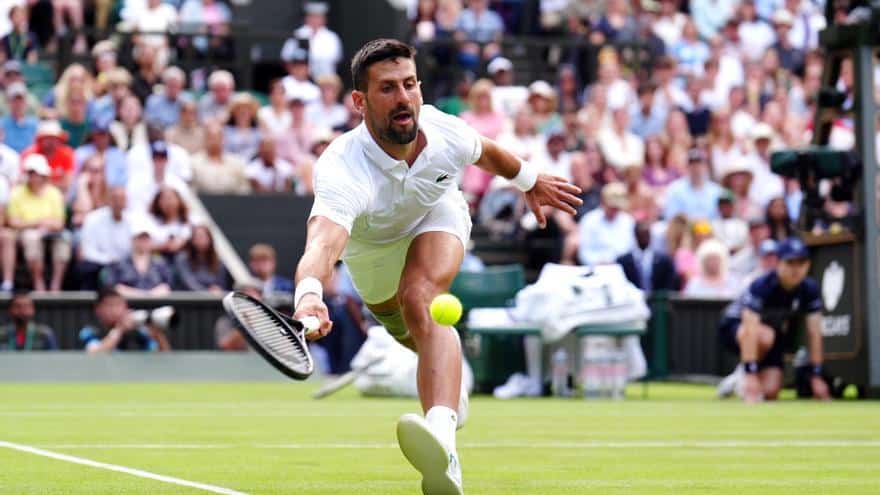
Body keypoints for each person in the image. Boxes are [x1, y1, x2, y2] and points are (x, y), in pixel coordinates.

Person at [292, 39, 581, 495]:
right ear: (359, 101)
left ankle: (443, 442)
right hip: (373, 258)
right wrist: (309, 293)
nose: (404, 97)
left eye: (409, 84)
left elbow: (488, 152)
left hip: (436, 213)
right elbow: (323, 243)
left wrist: (530, 180)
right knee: (413, 331)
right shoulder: (342, 167)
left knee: (421, 299)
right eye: (387, 88)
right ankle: (451, 384)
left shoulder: (446, 132)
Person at [716, 237, 830, 403]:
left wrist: (816, 376)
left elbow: (815, 332)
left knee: (770, 392)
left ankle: (736, 379)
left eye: (801, 263)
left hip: (773, 336)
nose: (796, 269)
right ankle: (745, 373)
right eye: (790, 263)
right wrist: (752, 373)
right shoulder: (763, 285)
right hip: (736, 328)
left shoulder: (809, 289)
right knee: (765, 336)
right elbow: (750, 328)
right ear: (778, 263)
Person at [0, 155, 70, 292]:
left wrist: (47, 226)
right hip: (26, 233)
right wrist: (38, 223)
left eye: (37, 174)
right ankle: (38, 283)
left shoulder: (54, 193)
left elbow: (60, 223)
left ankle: (56, 285)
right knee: (32, 238)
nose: (35, 177)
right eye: (31, 173)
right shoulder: (17, 193)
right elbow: (13, 222)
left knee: (64, 239)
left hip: (51, 232)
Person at [79, 289, 172, 353]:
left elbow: (163, 357)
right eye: (110, 305)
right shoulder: (90, 331)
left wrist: (158, 336)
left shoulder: (139, 332)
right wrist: (119, 330)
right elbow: (94, 356)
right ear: (98, 308)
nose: (115, 311)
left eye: (119, 305)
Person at [77, 187, 134, 290]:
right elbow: (87, 251)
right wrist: (108, 260)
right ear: (109, 200)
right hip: (98, 265)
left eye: (122, 199)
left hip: (126, 265)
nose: (118, 203)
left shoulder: (134, 220)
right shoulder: (93, 218)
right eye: (115, 199)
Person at [100, 219, 173, 297]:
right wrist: (140, 295)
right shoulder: (119, 263)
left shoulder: (160, 263)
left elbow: (167, 286)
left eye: (146, 239)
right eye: (139, 238)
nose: (143, 242)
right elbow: (113, 287)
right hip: (128, 306)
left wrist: (149, 295)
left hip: (158, 306)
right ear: (132, 240)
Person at [577, 182, 635, 266]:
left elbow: (630, 249)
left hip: (622, 268)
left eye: (617, 207)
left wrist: (617, 261)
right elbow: (584, 252)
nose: (615, 210)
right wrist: (598, 262)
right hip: (595, 269)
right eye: (612, 207)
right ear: (603, 202)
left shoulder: (628, 221)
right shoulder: (589, 220)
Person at [617, 221, 681, 293]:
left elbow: (670, 285)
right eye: (641, 235)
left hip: (657, 301)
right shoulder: (623, 261)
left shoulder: (664, 261)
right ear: (636, 236)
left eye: (647, 235)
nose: (645, 238)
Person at [291, 1, 343, 78]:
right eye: (312, 16)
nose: (315, 20)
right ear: (306, 18)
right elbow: (287, 56)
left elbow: (336, 59)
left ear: (324, 19)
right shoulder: (298, 34)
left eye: (318, 17)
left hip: (325, 79)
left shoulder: (332, 37)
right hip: (302, 79)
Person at [174, 223, 228, 292]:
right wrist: (207, 292)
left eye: (203, 237)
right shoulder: (182, 259)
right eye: (197, 237)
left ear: (210, 239)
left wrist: (217, 290)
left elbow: (221, 285)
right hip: (188, 299)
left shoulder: (219, 261)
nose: (201, 240)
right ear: (192, 240)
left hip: (213, 299)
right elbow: (188, 283)